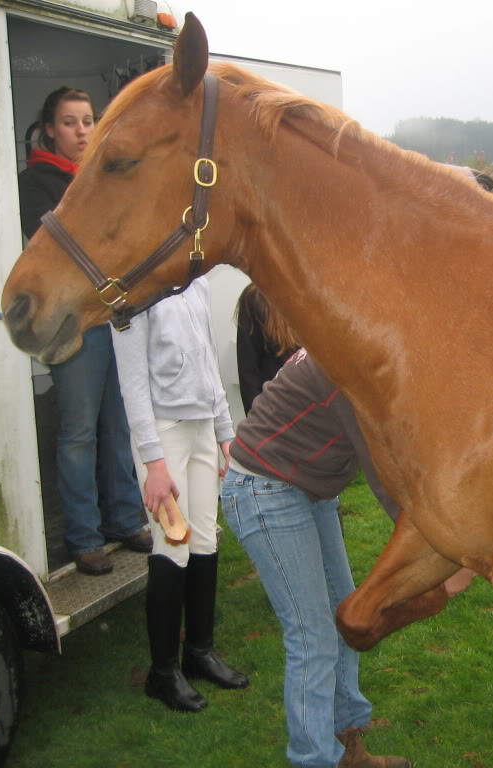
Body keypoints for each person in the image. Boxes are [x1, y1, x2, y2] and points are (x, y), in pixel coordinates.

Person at [222, 347, 411, 768]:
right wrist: (435, 549)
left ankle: (347, 747)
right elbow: (385, 471)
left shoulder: (356, 344)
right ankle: (315, 759)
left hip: (310, 486)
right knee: (312, 635)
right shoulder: (346, 361)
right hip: (265, 488)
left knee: (346, 616)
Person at [17, 86, 150, 576]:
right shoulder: (37, 184)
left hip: (117, 319)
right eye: (70, 122)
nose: (81, 131)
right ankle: (84, 537)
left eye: (88, 121)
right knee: (77, 432)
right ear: (49, 129)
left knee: (119, 423)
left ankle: (123, 517)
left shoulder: (101, 176)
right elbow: (59, 249)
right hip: (77, 323)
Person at [111, 277, 248, 712]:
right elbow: (132, 384)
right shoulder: (130, 290)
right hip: (164, 436)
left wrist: (225, 431)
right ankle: (163, 673)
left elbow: (208, 359)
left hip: (203, 427)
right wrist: (153, 463)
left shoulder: (198, 281)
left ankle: (199, 652)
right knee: (174, 545)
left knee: (205, 538)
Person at [235, 283, 301, 415]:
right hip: (276, 414)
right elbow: (248, 371)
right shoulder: (254, 298)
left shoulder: (310, 292)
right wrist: (257, 421)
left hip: (314, 411)